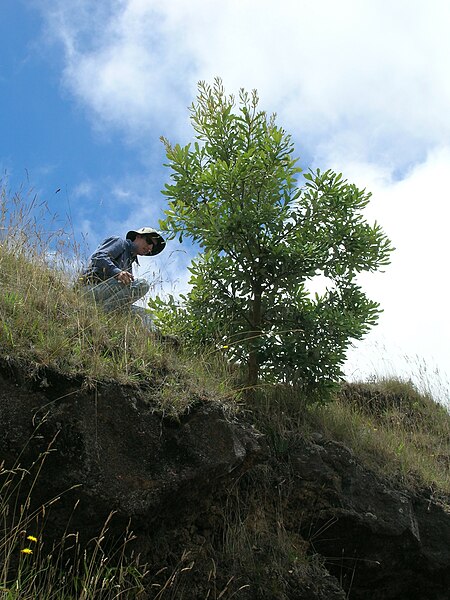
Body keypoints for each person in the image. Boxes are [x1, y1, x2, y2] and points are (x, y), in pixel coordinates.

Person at [79, 227, 165, 330]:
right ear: (138, 236)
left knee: (149, 315)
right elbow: (98, 257)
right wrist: (117, 273)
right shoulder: (120, 243)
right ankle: (101, 313)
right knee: (142, 284)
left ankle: (158, 338)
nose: (149, 248)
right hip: (90, 289)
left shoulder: (130, 265)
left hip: (106, 299)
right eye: (149, 241)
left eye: (153, 247)